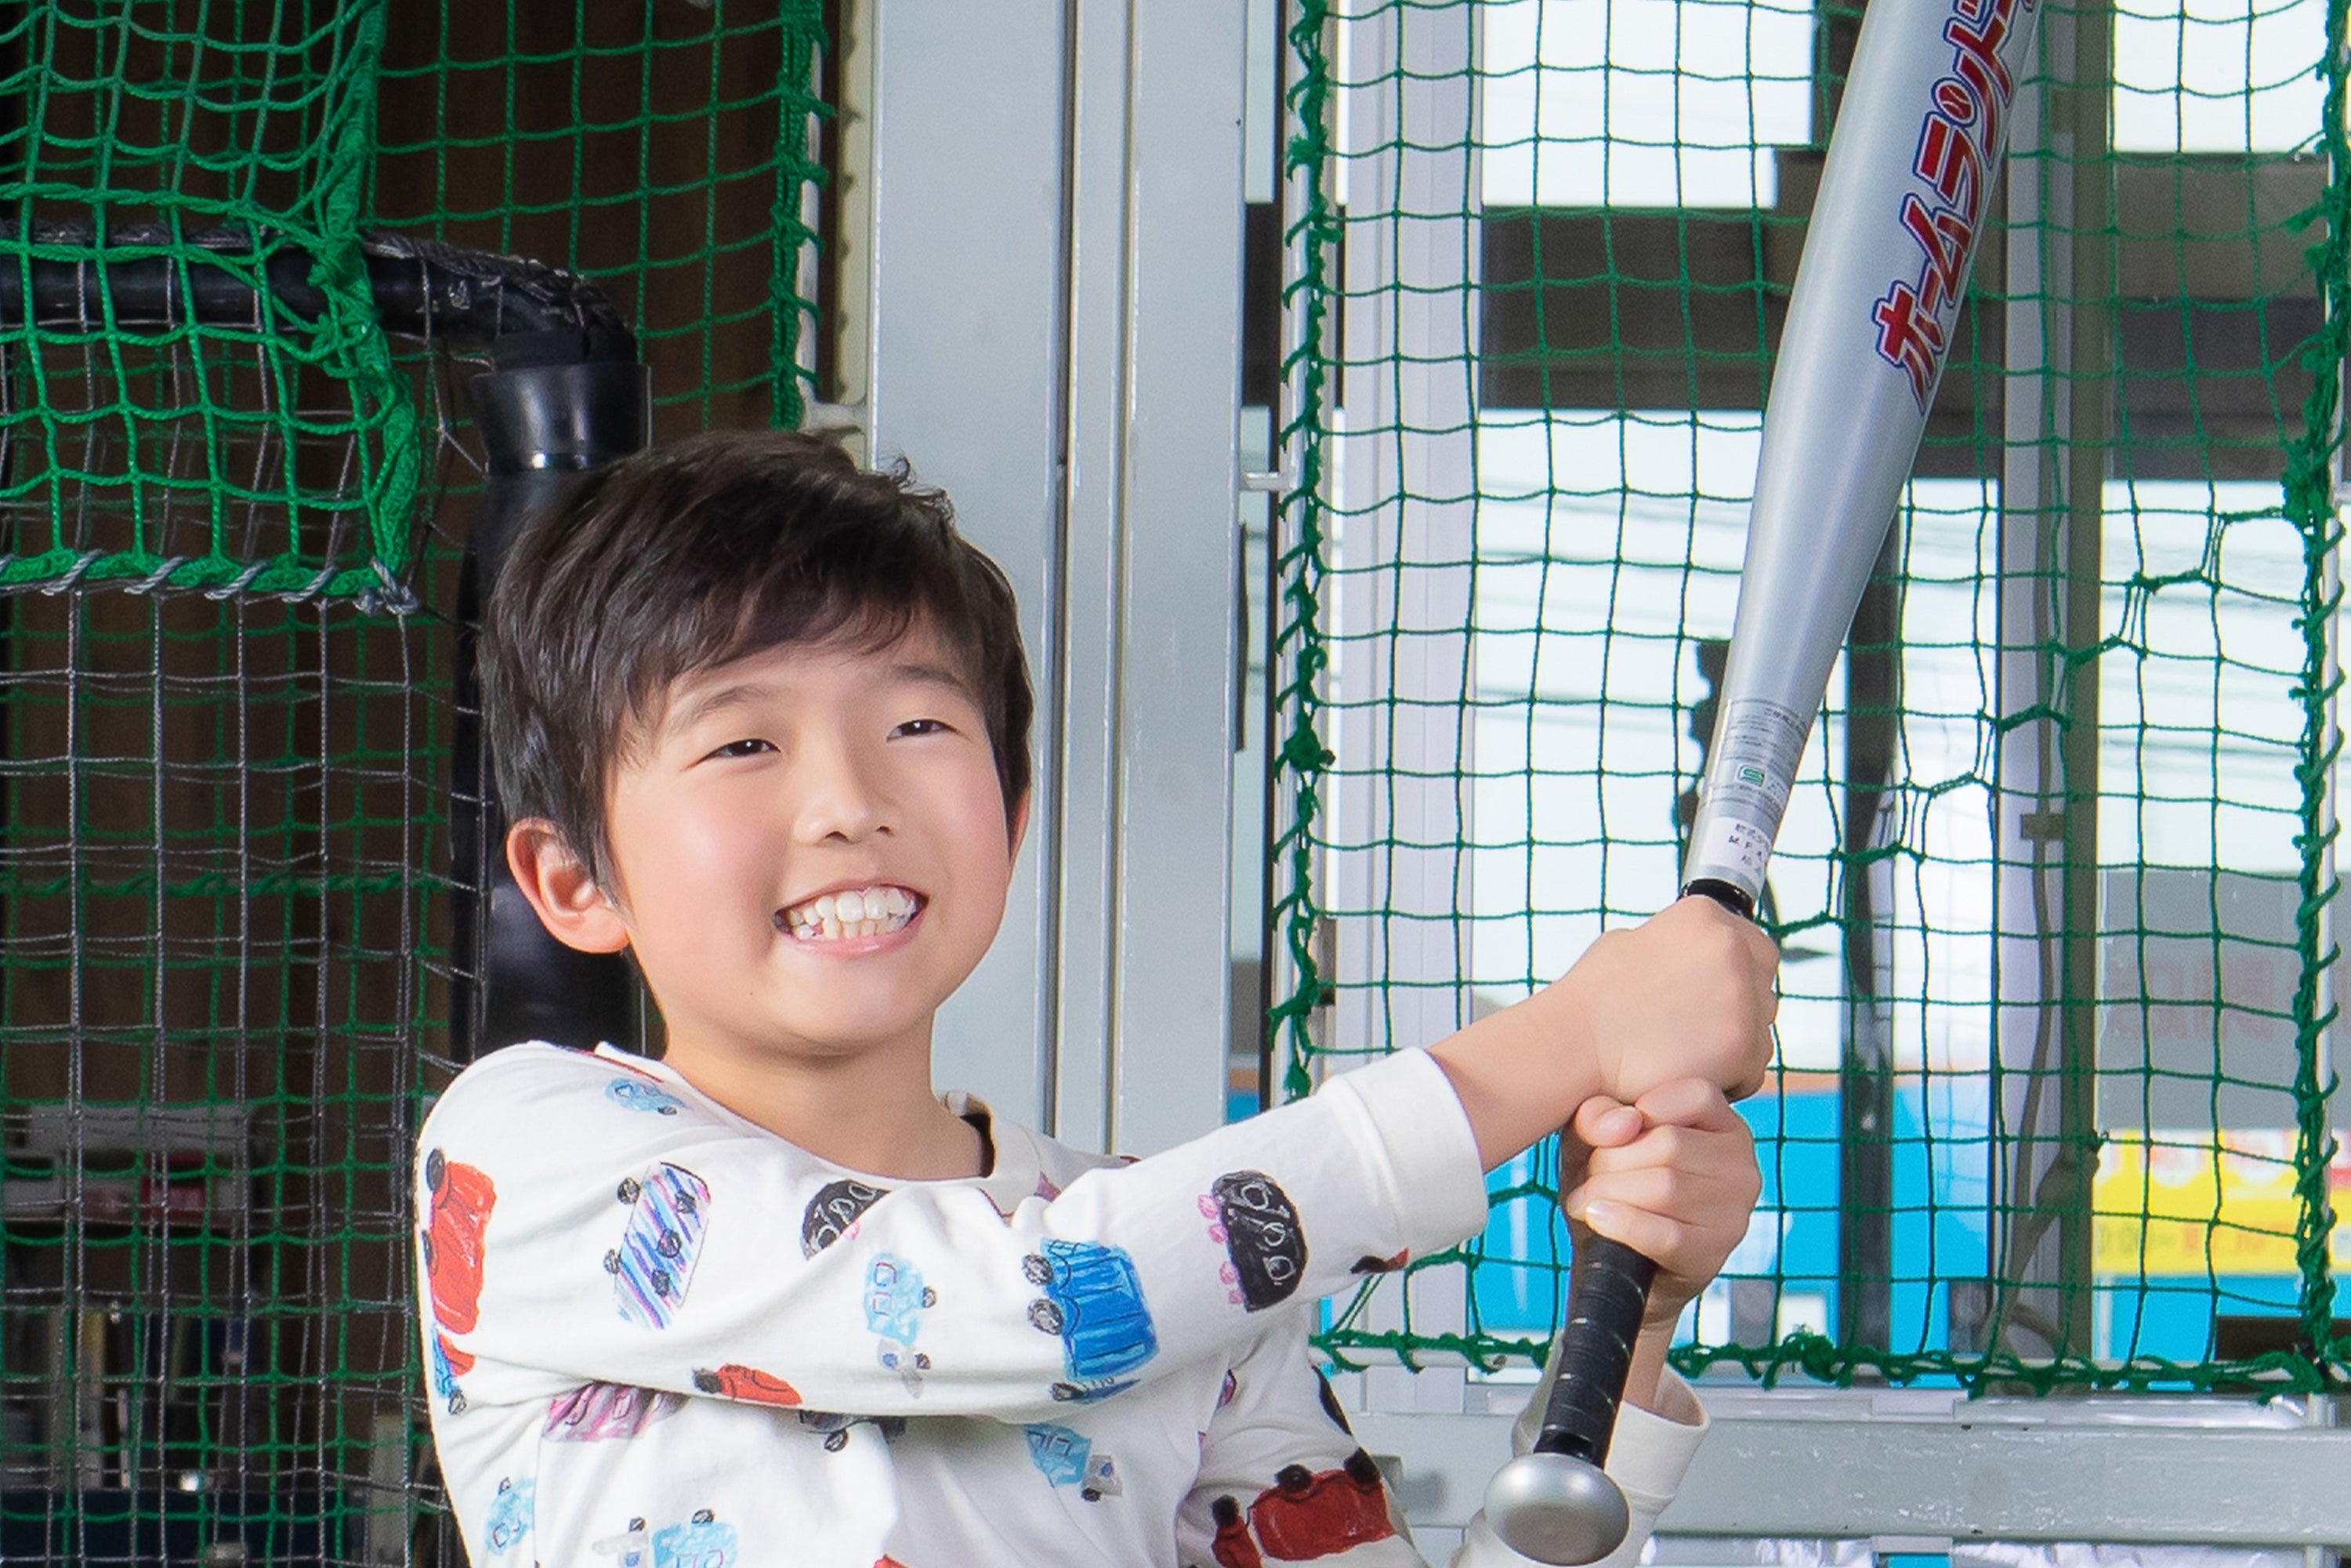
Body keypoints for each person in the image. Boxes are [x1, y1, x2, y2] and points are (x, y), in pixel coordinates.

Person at [414, 429, 1779, 1568]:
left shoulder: (1203, 1282)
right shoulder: (526, 1151)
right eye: (743, 741)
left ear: (1008, 817)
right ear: (574, 878)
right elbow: (1031, 1304)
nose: (847, 802)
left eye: (916, 724)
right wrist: (1571, 1038)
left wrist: (1630, 1335)